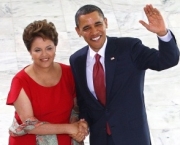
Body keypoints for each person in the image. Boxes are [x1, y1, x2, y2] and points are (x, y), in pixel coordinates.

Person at [69, 4, 179, 145]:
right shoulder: (77, 60)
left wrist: (162, 33)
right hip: (100, 139)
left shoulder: (129, 48)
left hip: (133, 138)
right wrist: (83, 122)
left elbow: (167, 61)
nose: (94, 32)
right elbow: (84, 101)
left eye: (98, 24)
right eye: (86, 28)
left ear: (106, 22)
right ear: (78, 31)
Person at [6, 19, 88, 145]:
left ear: (55, 47)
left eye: (49, 48)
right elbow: (30, 125)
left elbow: (78, 107)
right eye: (37, 50)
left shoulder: (69, 73)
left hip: (66, 140)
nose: (44, 55)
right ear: (30, 52)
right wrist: (69, 128)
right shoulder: (20, 81)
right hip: (29, 142)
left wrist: (80, 126)